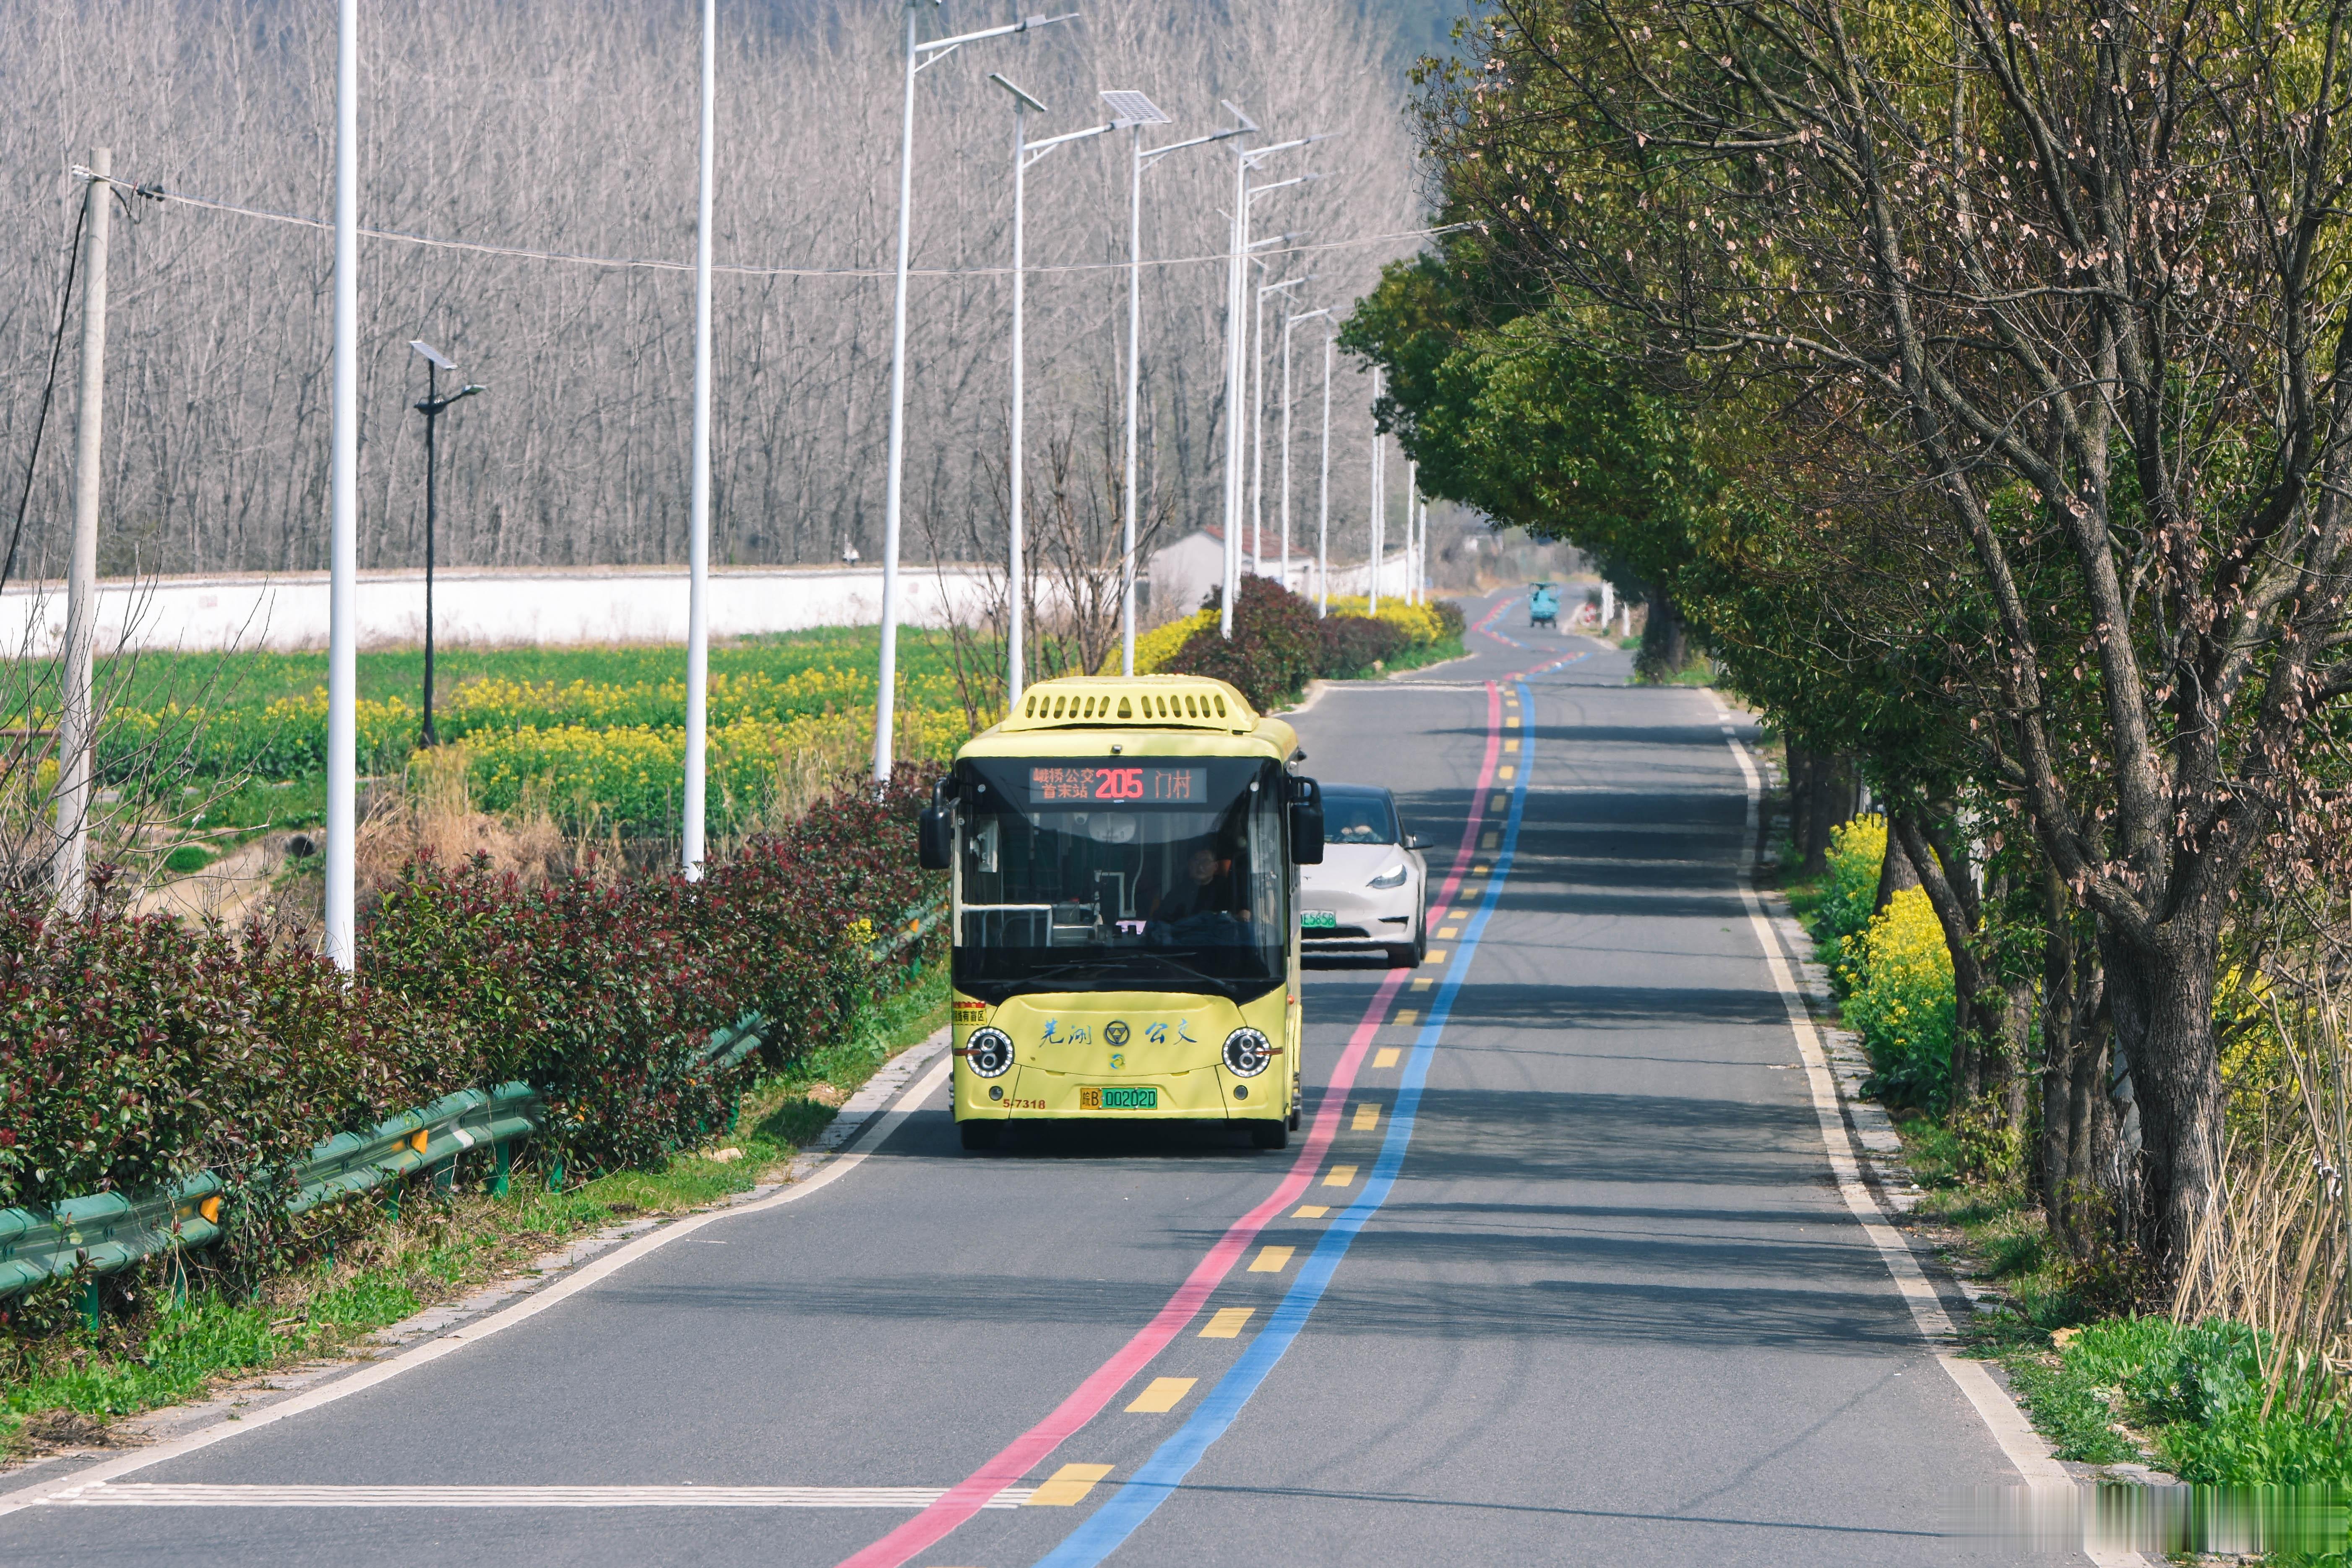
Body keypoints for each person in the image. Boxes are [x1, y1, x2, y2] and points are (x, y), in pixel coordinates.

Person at [1151, 845, 1248, 926]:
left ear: (1216, 867)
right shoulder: (1178, 892)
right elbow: (1161, 919)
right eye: (1196, 861)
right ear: (1189, 865)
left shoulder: (1229, 889)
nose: (1200, 866)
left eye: (1206, 862)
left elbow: (1244, 914)